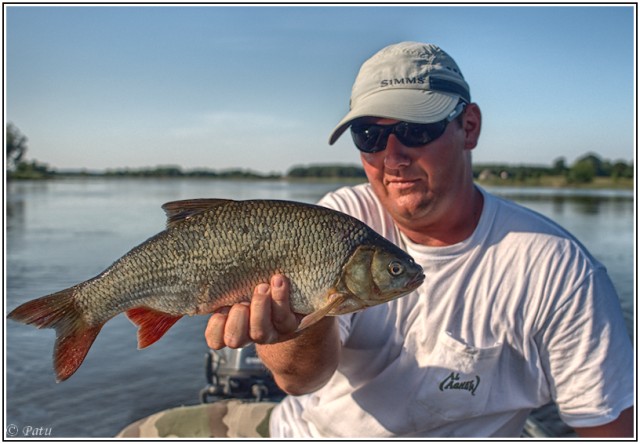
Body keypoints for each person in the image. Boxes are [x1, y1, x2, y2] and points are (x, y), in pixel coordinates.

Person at [118, 42, 634, 438]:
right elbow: (302, 380)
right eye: (369, 135)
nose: (392, 154)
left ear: (469, 126)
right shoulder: (340, 220)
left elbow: (605, 427)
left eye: (416, 129)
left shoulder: (556, 268)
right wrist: (291, 327)